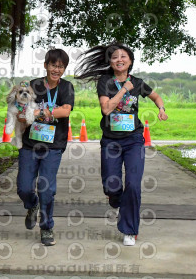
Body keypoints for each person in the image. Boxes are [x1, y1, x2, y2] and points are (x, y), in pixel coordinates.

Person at [76, 42, 168, 246]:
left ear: (130, 61)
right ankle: (115, 199)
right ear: (110, 62)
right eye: (115, 57)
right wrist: (125, 89)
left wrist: (161, 108)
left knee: (134, 185)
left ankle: (129, 230)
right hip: (111, 141)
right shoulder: (105, 82)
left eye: (123, 56)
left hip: (134, 140)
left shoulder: (138, 82)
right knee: (111, 184)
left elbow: (155, 96)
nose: (119, 59)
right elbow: (106, 109)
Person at [17, 48, 75, 246]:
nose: (56, 69)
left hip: (54, 145)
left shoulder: (67, 87)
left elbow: (65, 111)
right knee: (24, 187)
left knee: (47, 189)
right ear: (46, 65)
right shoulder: (33, 85)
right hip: (30, 144)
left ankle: (47, 227)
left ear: (64, 69)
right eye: (53, 65)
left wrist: (37, 112)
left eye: (60, 66)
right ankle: (31, 205)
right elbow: (22, 109)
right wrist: (31, 113)